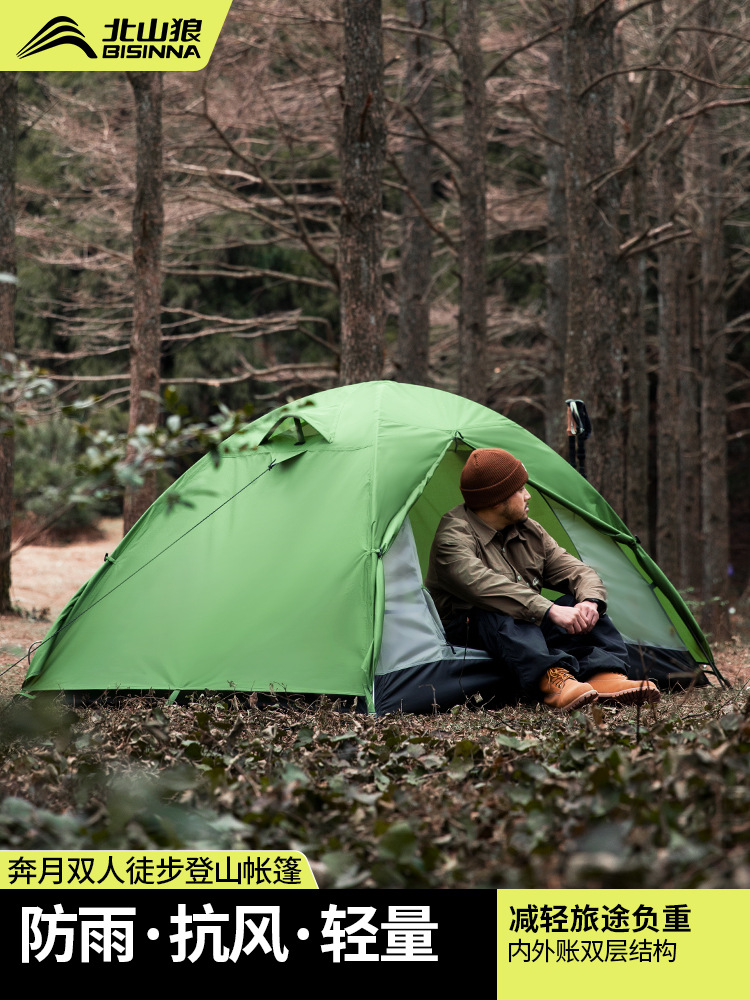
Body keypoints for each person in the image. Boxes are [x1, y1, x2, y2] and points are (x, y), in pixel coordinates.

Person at [425, 447, 660, 712]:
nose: (528, 495)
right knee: (500, 610)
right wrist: (548, 609)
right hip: (473, 633)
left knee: (575, 601)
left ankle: (603, 675)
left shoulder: (528, 531)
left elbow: (579, 572)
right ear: (496, 500)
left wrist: (589, 603)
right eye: (520, 489)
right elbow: (482, 585)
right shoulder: (452, 537)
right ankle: (554, 681)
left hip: (524, 630)